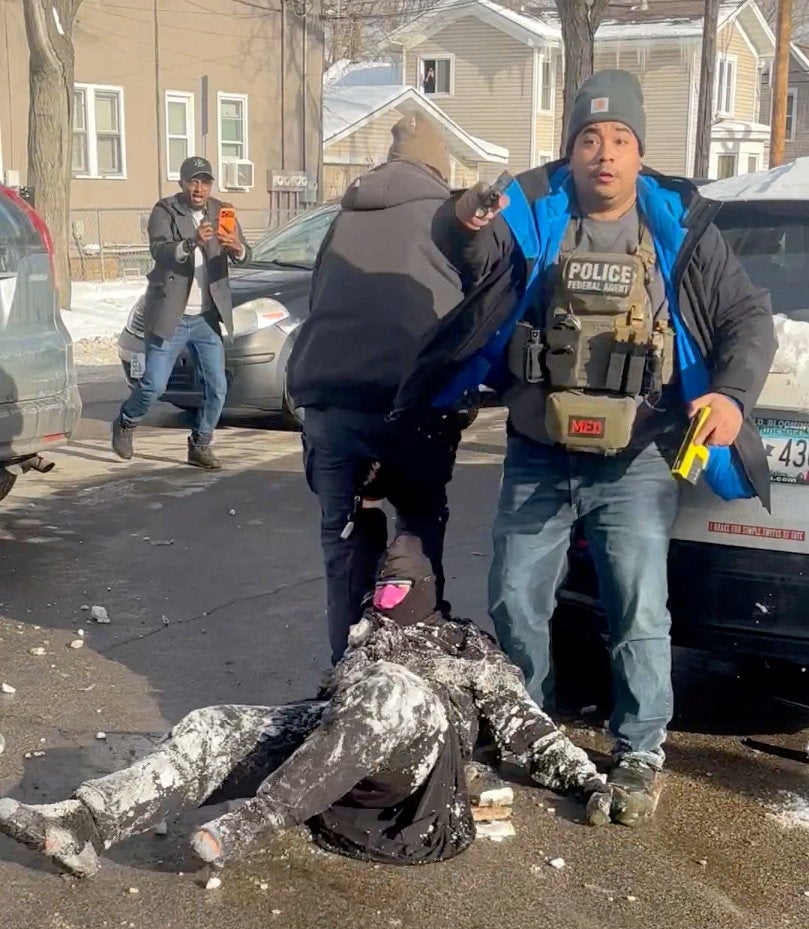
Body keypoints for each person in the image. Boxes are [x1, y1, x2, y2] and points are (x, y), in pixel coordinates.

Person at [393, 70, 776, 824]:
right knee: (514, 600)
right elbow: (467, 248)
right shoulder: (532, 217)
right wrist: (462, 218)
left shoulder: (680, 230)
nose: (604, 153)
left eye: (620, 139)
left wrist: (731, 396)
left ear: (639, 152)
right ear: (570, 150)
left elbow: (747, 318)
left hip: (637, 460)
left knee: (638, 608)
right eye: (589, 138)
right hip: (539, 452)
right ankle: (528, 724)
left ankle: (640, 751)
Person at [0, 536, 632, 880]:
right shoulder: (366, 637)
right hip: (342, 751)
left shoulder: (465, 648)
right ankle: (85, 823)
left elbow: (530, 730)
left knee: (391, 690)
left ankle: (254, 821)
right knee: (215, 724)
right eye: (379, 588)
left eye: (397, 589)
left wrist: (589, 781)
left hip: (420, 777)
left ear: (425, 592)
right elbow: (336, 716)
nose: (383, 600)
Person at [287, 113, 470, 664]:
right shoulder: (446, 217)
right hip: (410, 404)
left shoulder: (344, 216)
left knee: (345, 539)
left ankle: (347, 669)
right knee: (417, 528)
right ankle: (412, 662)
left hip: (331, 403)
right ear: (438, 166)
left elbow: (318, 297)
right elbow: (465, 313)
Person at [111, 156, 251, 471]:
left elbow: (245, 254)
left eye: (205, 182)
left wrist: (236, 247)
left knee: (217, 387)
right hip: (171, 314)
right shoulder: (165, 210)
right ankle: (126, 421)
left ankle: (200, 444)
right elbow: (159, 251)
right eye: (193, 181)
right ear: (182, 183)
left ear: (211, 186)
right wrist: (191, 243)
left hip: (206, 318)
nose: (199, 188)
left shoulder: (222, 211)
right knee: (154, 385)